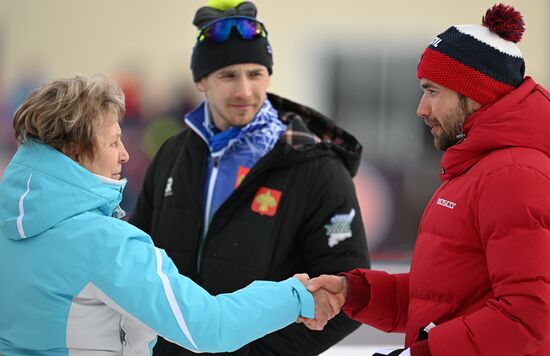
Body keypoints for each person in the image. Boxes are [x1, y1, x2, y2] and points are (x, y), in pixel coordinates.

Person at [0, 74, 341, 355]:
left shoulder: (6, 230)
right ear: (76, 149)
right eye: (113, 141)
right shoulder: (104, 244)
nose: (124, 155)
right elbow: (210, 327)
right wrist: (294, 297)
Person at [306, 3, 550, 356]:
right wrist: (354, 292)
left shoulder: (512, 175)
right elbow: (440, 299)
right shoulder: (478, 169)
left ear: (474, 94)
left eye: (432, 91)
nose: (421, 108)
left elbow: (527, 318)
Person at [129, 0, 370, 355]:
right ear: (201, 81)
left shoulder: (315, 167)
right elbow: (137, 264)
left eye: (255, 74)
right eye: (228, 76)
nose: (244, 91)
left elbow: (348, 296)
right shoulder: (172, 155)